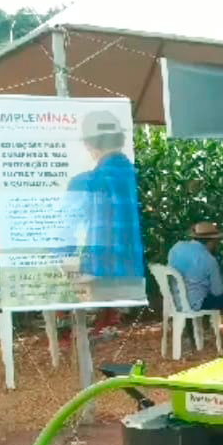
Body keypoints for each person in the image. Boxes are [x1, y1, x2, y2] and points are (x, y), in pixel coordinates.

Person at [62, 110, 145, 330]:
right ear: (121, 140)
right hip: (134, 280)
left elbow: (64, 235)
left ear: (90, 144)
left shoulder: (85, 182)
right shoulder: (140, 177)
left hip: (98, 284)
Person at [169, 221, 223, 349]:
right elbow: (217, 291)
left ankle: (191, 336)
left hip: (175, 299)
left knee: (192, 292)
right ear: (212, 242)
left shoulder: (177, 248)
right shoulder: (208, 260)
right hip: (196, 302)